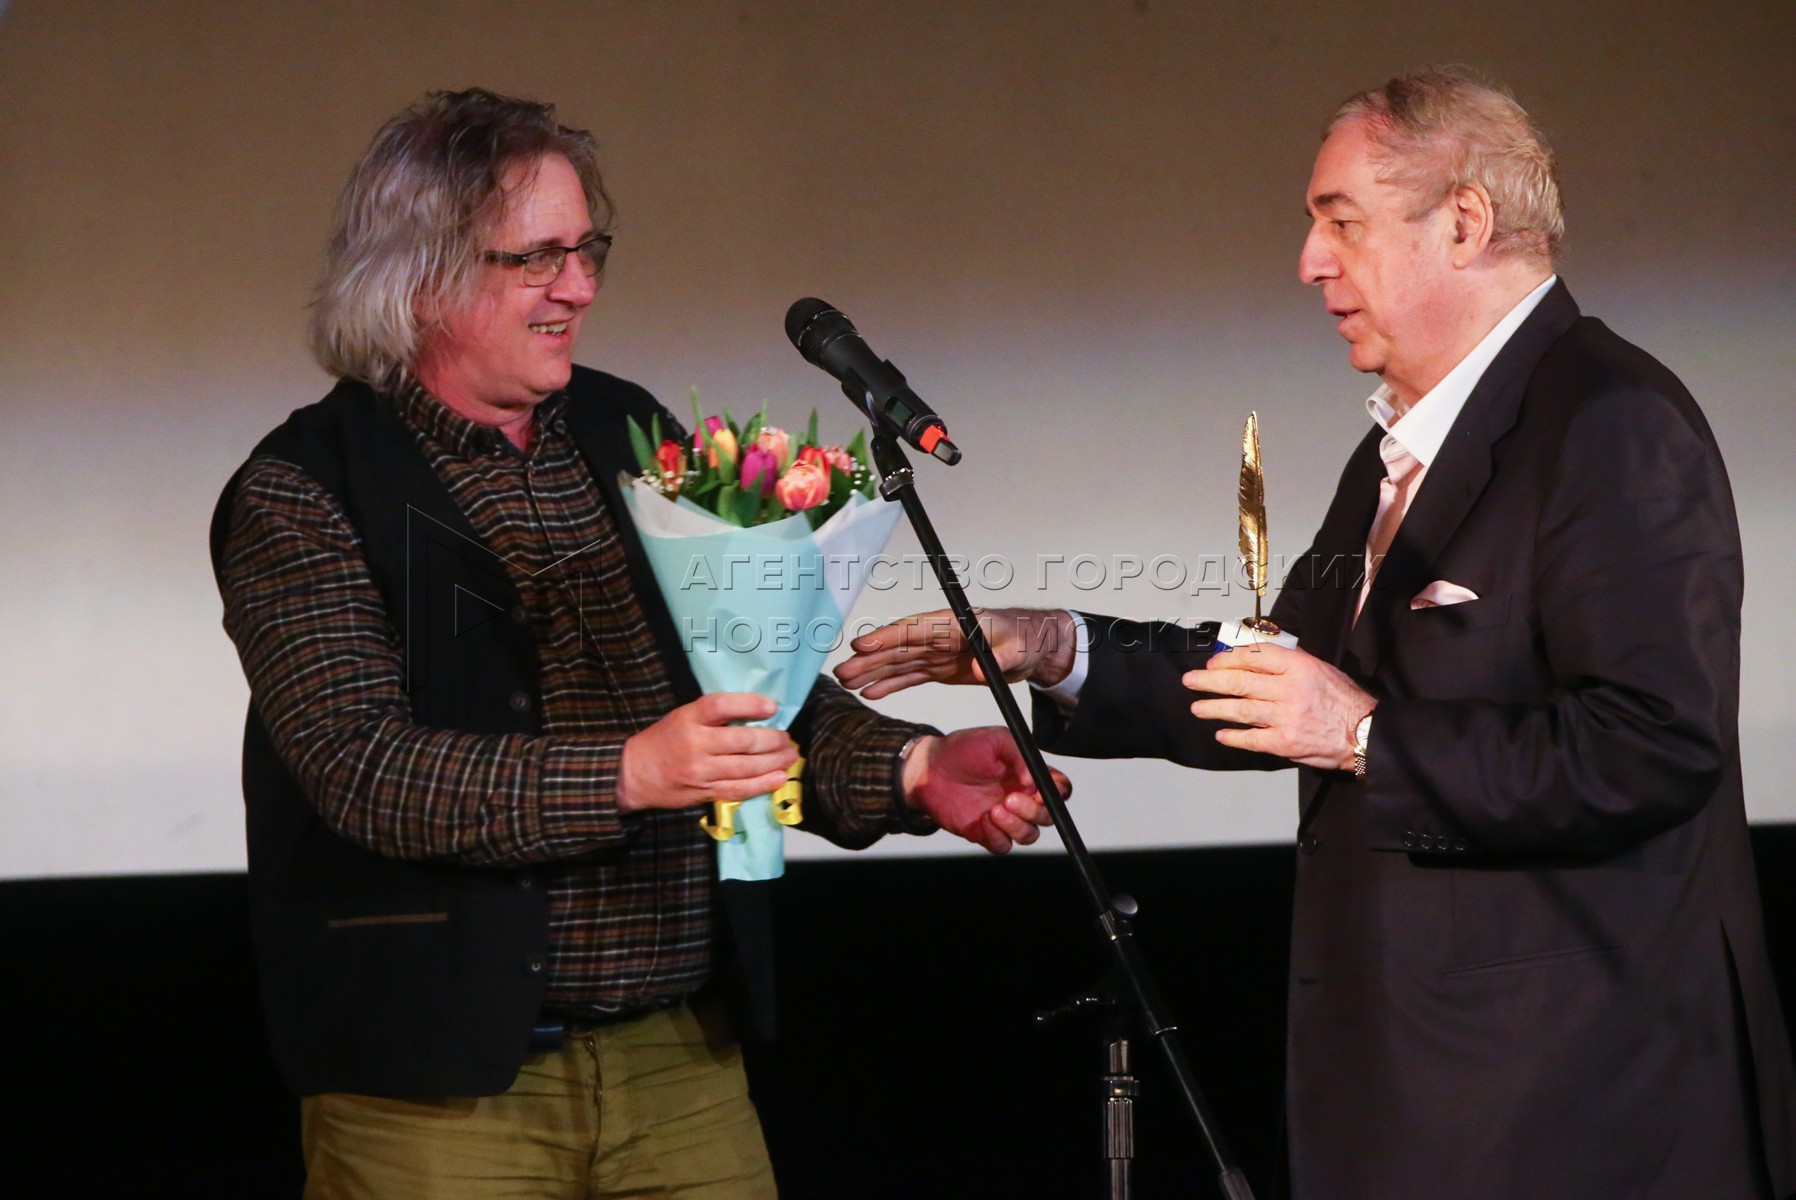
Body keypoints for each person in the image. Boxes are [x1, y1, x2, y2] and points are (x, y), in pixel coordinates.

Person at [835, 69, 1796, 1199]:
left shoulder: (1607, 421)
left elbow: (1651, 747)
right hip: (1421, 1090)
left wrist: (1364, 735)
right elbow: (1282, 678)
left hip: (1570, 1100)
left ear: (1464, 223)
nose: (1307, 261)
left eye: (1340, 222)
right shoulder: (1401, 447)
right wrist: (1055, 647)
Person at [209, 87, 1057, 1199]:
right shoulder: (304, 491)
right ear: (418, 273)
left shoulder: (626, 430)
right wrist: (630, 772)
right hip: (439, 1085)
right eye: (536, 258)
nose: (579, 287)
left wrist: (912, 767)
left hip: (679, 1060)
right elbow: (365, 771)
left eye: (586, 249)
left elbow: (751, 687)